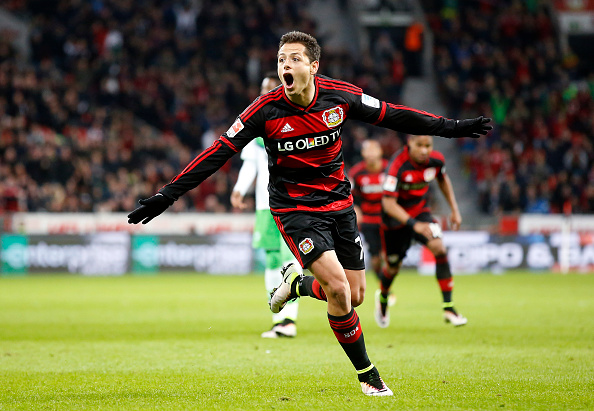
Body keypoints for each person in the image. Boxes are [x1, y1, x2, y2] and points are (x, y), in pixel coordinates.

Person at [128, 31, 491, 396]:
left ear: (313, 66)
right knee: (338, 288)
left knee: (355, 294)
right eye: (281, 59)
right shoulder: (264, 110)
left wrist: (453, 128)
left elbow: (394, 115)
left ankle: (297, 284)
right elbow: (218, 152)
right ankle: (368, 375)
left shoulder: (340, 96)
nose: (285, 65)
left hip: (339, 205)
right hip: (294, 209)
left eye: (294, 59)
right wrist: (166, 196)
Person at [230, 72, 300, 339]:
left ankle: (289, 320)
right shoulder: (256, 123)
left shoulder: (295, 120)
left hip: (290, 204)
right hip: (264, 206)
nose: (265, 91)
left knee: (289, 259)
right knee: (272, 261)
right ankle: (278, 319)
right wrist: (239, 189)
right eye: (263, 87)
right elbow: (251, 163)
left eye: (272, 87)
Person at [377, 134, 467, 329]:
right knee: (393, 268)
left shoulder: (435, 160)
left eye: (428, 145)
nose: (424, 150)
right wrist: (413, 224)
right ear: (409, 143)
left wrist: (454, 210)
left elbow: (443, 179)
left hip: (421, 213)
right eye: (420, 145)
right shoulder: (397, 165)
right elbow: (388, 204)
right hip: (395, 221)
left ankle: (449, 307)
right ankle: (383, 296)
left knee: (439, 248)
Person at [348, 139, 388, 277]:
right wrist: (356, 209)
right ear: (363, 153)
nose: (371, 154)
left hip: (388, 219)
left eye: (373, 150)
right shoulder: (357, 172)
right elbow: (350, 196)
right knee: (376, 260)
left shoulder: (389, 169)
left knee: (388, 256)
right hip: (369, 221)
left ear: (380, 151)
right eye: (367, 150)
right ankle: (383, 283)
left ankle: (386, 287)